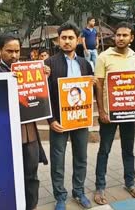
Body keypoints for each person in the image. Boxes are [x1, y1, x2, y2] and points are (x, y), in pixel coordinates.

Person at [0, 32, 49, 210]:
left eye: (17, 51)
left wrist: (44, 74)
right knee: (8, 175)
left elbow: (39, 94)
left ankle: (32, 206)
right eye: (9, 51)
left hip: (28, 133)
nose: (14, 55)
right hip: (4, 134)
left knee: (31, 175)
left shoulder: (29, 69)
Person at [94, 21, 135, 205]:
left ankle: (130, 182)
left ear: (131, 38)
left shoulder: (134, 57)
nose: (120, 38)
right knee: (104, 150)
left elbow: (132, 84)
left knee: (128, 150)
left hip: (129, 112)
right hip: (109, 113)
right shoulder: (103, 57)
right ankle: (100, 186)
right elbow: (99, 85)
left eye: (125, 35)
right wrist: (101, 111)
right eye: (118, 35)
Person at [44, 22, 93, 210]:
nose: (67, 41)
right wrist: (51, 120)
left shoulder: (85, 64)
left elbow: (88, 90)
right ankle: (60, 197)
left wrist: (93, 83)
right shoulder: (48, 64)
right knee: (58, 161)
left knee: (81, 157)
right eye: (63, 38)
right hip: (59, 122)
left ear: (78, 40)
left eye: (70, 38)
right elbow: (44, 94)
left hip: (80, 119)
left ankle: (79, 192)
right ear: (58, 40)